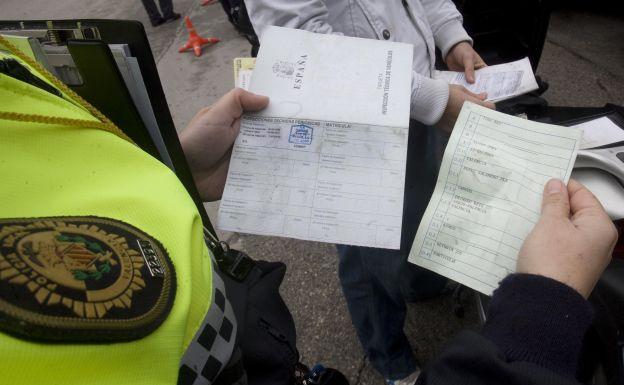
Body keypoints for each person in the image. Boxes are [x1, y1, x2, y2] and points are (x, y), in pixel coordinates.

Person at [0, 34, 619, 385]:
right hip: (365, 138)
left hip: (262, 350)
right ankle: (390, 356)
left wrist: (176, 172)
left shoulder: (14, 65)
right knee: (372, 259)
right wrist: (543, 305)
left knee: (414, 232)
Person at [243, 1, 495, 383]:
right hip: (354, 119)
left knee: (418, 210)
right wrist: (430, 99)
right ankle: (390, 357)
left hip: (423, 94)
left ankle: (420, 284)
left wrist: (451, 37)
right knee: (368, 255)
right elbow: (305, 43)